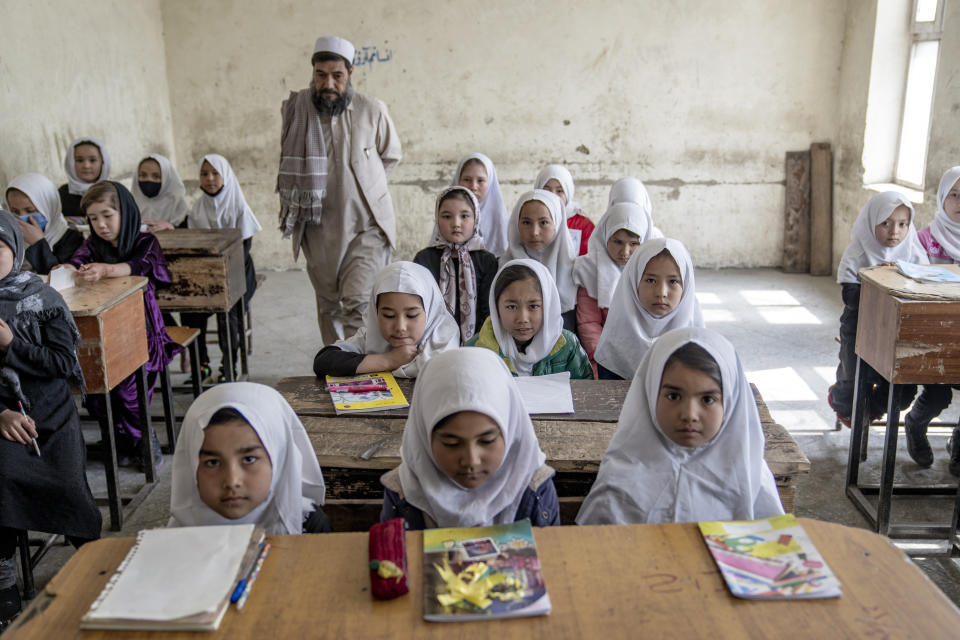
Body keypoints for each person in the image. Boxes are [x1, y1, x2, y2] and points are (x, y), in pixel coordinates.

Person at [0, 211, 101, 628]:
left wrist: (10, 345)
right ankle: (4, 583)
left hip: (50, 412)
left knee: (67, 485)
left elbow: (61, 363)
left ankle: (99, 562)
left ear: (15, 248)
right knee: (2, 477)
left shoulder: (42, 298)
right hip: (4, 416)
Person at [576, 327, 784, 525]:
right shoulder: (620, 479)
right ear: (650, 394)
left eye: (708, 400)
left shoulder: (750, 476)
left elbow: (774, 551)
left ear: (730, 401)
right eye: (673, 396)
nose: (689, 415)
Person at [278, 35, 401, 347]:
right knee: (328, 306)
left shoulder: (371, 110)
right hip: (318, 229)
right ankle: (337, 366)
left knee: (359, 305)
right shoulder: (296, 111)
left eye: (337, 76)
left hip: (365, 228)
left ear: (350, 73)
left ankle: (361, 370)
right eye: (321, 76)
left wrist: (362, 188)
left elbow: (390, 154)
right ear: (313, 74)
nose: (328, 83)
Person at [380, 347, 560, 529]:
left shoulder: (534, 487)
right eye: (451, 443)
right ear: (425, 436)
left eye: (487, 441)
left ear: (510, 428)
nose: (471, 460)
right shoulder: (405, 491)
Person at [68, 182, 180, 469]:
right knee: (96, 393)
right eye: (93, 219)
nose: (101, 225)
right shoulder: (92, 245)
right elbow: (77, 262)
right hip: (105, 333)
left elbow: (136, 267)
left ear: (126, 213)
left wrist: (106, 269)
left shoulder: (146, 242)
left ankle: (145, 441)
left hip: (141, 335)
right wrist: (67, 270)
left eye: (107, 215)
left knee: (129, 394)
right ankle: (121, 443)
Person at [170, 382, 330, 534]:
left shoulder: (309, 527)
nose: (232, 481)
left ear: (279, 459)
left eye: (249, 459)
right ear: (192, 464)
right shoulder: (171, 543)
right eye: (213, 463)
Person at [828, 191, 927, 429]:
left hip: (900, 331)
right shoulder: (858, 252)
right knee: (852, 383)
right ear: (871, 221)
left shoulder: (913, 251)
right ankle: (840, 401)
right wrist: (877, 278)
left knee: (903, 392)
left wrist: (901, 273)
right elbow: (850, 296)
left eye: (903, 224)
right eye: (885, 223)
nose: (895, 232)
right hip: (861, 326)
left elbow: (924, 288)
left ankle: (869, 410)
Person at [181, 154, 262, 382]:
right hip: (207, 273)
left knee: (230, 314)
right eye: (204, 174)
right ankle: (202, 365)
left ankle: (229, 367)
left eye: (215, 173)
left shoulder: (238, 206)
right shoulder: (198, 208)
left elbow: (243, 249)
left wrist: (223, 274)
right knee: (192, 309)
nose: (209, 179)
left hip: (238, 274)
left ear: (225, 176)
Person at [313, 261, 459, 378]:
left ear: (430, 310)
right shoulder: (372, 335)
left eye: (411, 315)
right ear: (375, 312)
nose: (400, 327)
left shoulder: (443, 342)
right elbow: (324, 361)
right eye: (389, 316)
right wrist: (389, 360)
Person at [909, 166, 960, 474]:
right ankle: (916, 423)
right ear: (942, 197)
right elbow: (910, 281)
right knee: (938, 393)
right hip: (931, 336)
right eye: (954, 194)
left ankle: (958, 446)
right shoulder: (925, 240)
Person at [594, 238, 703, 380]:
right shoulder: (614, 344)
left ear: (686, 285)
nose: (661, 292)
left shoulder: (697, 344)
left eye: (673, 281)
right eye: (651, 280)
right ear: (634, 282)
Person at [466, 259, 592, 378]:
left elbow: (585, 393)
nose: (522, 319)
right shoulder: (477, 349)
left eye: (533, 306)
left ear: (548, 307)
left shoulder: (567, 346)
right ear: (496, 308)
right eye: (511, 307)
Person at [414, 186, 497, 343]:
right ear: (437, 219)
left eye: (464, 216)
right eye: (447, 217)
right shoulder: (424, 259)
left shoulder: (487, 261)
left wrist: (478, 342)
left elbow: (489, 310)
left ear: (476, 219)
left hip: (479, 342)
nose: (456, 223)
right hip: (432, 342)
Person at [572, 202, 650, 369]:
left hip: (643, 354)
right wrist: (605, 356)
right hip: (602, 355)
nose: (625, 251)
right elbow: (589, 323)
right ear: (605, 237)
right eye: (618, 242)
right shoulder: (589, 270)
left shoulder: (650, 273)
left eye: (633, 244)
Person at [499, 190, 578, 331]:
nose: (535, 232)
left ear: (557, 223)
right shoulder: (503, 266)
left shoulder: (575, 270)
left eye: (544, 222)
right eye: (526, 222)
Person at [4, 173, 83, 274]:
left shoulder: (72, 239)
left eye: (29, 210)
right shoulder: (8, 237)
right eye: (14, 211)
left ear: (48, 207)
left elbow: (59, 278)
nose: (21, 217)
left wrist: (38, 243)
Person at [449, 153, 509, 256]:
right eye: (467, 180)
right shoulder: (447, 213)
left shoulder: (498, 218)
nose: (473, 187)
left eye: (480, 180)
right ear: (458, 181)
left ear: (489, 183)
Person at [534, 163, 594, 255]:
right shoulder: (529, 219)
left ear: (568, 192)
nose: (553, 195)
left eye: (560, 191)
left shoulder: (583, 225)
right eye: (546, 190)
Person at [131, 154, 190, 231]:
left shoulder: (178, 206)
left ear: (167, 179)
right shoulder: (131, 204)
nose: (149, 179)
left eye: (156, 176)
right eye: (143, 175)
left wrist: (172, 228)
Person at [59, 138, 110, 218]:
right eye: (79, 160)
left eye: (93, 160)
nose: (86, 166)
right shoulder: (62, 194)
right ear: (70, 163)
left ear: (103, 162)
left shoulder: (114, 192)